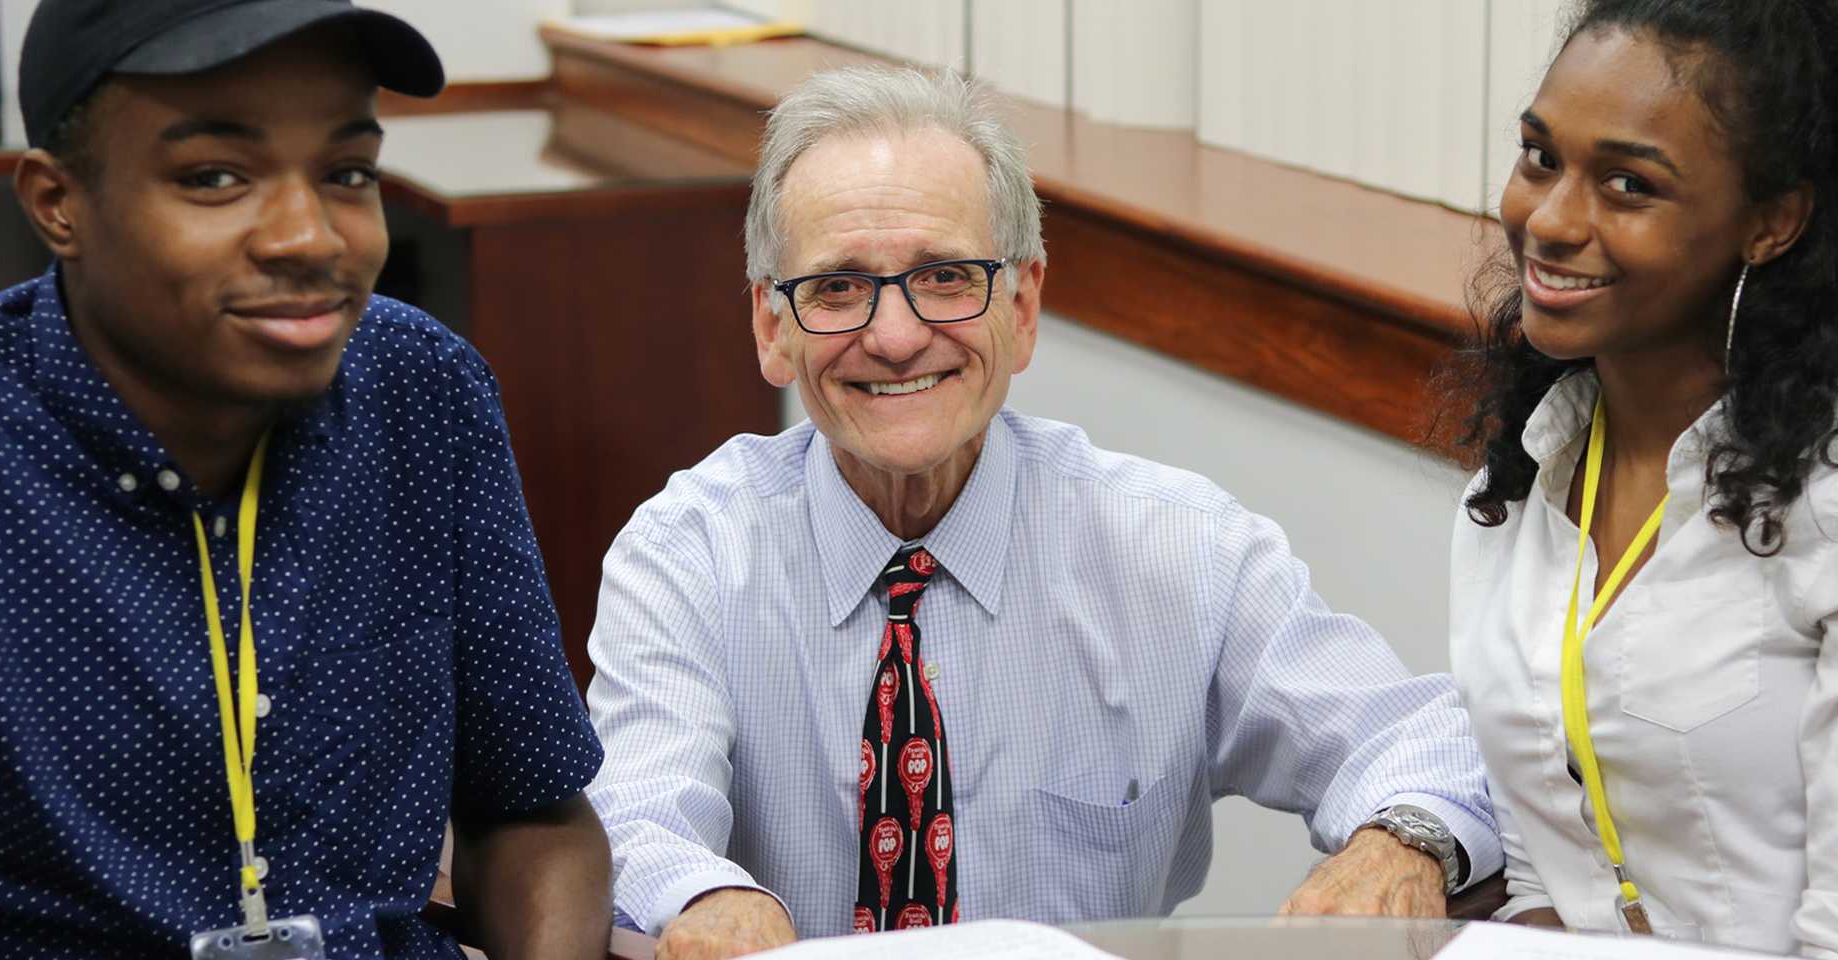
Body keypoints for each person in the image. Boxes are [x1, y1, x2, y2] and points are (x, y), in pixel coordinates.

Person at [585, 65, 1501, 958]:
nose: (895, 336)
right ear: (770, 328)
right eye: (838, 287)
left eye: (946, 276)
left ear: (1022, 307)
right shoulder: (690, 553)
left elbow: (1423, 742)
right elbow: (634, 810)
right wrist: (709, 895)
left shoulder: (1179, 550)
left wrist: (1403, 843)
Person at [0, 2, 612, 957]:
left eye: (348, 173)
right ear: (59, 203)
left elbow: (533, 815)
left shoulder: (419, 392)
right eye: (215, 177)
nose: (310, 237)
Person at [1445, 0, 1838, 954]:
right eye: (1540, 158)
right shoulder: (1530, 464)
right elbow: (1538, 857)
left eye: (1628, 185)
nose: (1551, 221)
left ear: (1771, 224)